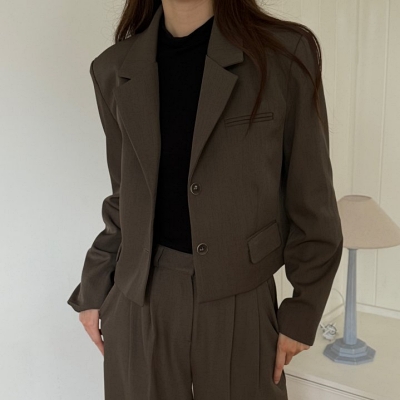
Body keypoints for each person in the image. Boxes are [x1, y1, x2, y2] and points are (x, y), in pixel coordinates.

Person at [67, 0, 344, 399]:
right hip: (137, 298)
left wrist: (304, 309)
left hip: (241, 297)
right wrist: (95, 286)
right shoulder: (113, 68)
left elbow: (312, 198)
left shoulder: (284, 54)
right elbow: (126, 194)